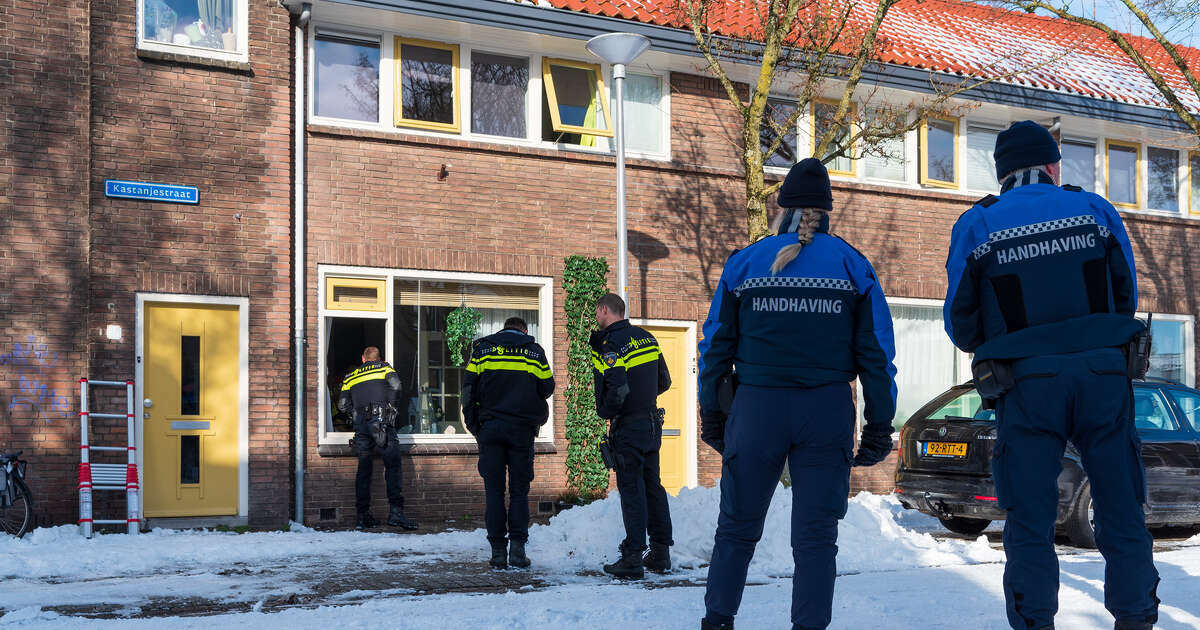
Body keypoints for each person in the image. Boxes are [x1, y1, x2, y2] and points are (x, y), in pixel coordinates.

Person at [944, 121, 1158, 630]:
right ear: (1052, 165)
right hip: (1102, 376)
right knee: (1122, 510)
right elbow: (1125, 294)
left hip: (1026, 383)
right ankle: (1135, 620)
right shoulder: (1095, 210)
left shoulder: (978, 224)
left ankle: (1035, 621)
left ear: (1002, 173)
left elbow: (960, 321)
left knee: (1030, 520)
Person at [697, 158, 898, 630]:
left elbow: (713, 347)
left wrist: (712, 413)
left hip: (757, 406)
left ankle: (717, 621)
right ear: (828, 210)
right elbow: (876, 353)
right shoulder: (853, 264)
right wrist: (880, 424)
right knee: (815, 538)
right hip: (826, 407)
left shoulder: (745, 262)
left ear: (780, 205)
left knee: (736, 530)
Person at [590, 293, 673, 579]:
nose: (596, 318)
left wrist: (608, 411)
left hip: (629, 426)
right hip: (652, 422)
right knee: (653, 486)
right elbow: (665, 381)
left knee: (631, 489)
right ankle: (661, 552)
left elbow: (618, 387)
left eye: (597, 313)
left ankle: (633, 557)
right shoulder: (647, 338)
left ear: (604, 310)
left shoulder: (610, 343)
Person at [462, 317, 555, 569]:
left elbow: (468, 389)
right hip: (521, 432)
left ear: (503, 328)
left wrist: (475, 427)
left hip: (490, 430)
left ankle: (497, 554)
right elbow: (548, 388)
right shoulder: (534, 352)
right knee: (519, 493)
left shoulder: (482, 350)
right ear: (524, 331)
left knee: (493, 493)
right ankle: (517, 552)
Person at [337, 346, 418, 530]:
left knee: (363, 471)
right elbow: (397, 386)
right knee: (393, 467)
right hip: (382, 424)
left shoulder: (350, 377)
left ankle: (362, 516)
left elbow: (342, 405)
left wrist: (356, 414)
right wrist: (391, 408)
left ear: (363, 359)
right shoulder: (384, 368)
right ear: (378, 358)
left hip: (361, 428)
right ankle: (396, 514)